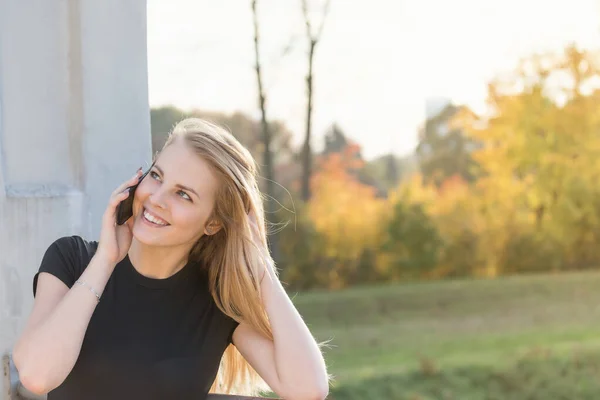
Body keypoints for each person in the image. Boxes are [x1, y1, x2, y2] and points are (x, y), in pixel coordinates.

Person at [13, 118, 329, 400]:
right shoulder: (72, 259)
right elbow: (37, 376)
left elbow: (308, 390)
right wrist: (105, 261)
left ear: (213, 223)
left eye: (183, 194)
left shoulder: (216, 300)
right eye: (156, 176)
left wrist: (261, 269)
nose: (157, 198)